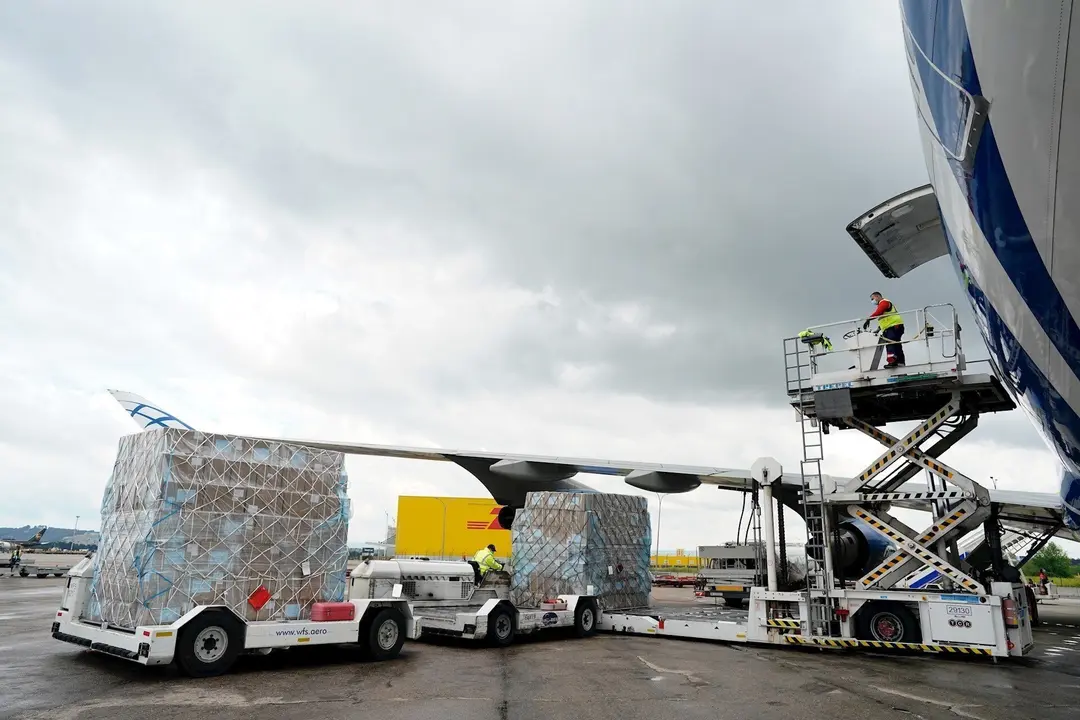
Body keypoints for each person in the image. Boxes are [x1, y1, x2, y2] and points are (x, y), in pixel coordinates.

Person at [862, 291, 905, 368]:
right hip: (892, 327)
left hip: (893, 326)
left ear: (877, 296)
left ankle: (892, 361)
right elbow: (885, 318)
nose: (872, 301)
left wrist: (868, 319)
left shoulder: (884, 302)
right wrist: (879, 329)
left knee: (890, 343)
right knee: (896, 344)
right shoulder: (883, 304)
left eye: (873, 298)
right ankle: (900, 362)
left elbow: (879, 312)